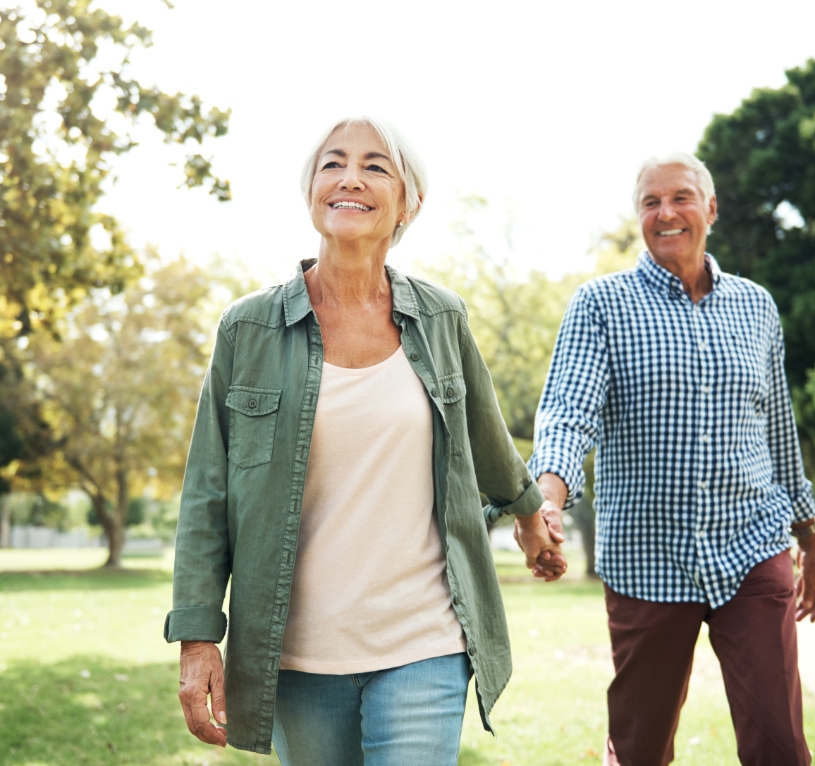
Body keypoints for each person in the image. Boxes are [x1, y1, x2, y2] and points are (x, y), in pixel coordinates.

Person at [164, 116, 566, 766]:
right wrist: (197, 637)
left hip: (425, 640)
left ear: (409, 202)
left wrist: (528, 515)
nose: (350, 178)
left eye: (375, 166)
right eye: (333, 163)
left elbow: (486, 439)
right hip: (296, 654)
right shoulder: (248, 329)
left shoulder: (441, 319)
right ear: (311, 191)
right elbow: (207, 494)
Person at [524, 152, 815, 766]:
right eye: (651, 202)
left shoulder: (756, 306)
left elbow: (778, 431)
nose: (666, 213)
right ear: (639, 216)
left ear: (710, 209)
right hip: (647, 558)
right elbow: (567, 414)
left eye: (681, 198)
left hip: (753, 545)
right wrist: (547, 501)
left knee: (780, 742)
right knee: (641, 747)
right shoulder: (601, 304)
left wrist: (810, 537)